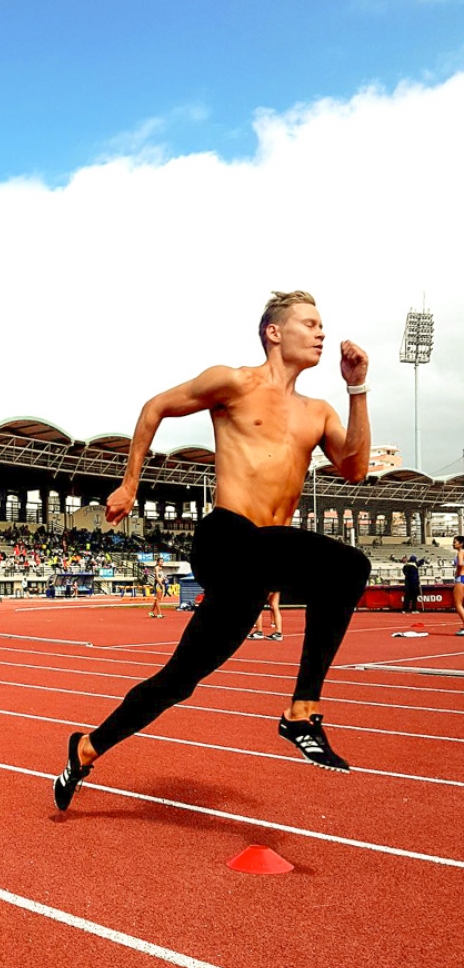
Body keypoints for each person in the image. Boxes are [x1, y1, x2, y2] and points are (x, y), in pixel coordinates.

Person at [54, 290, 371, 810]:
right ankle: (301, 711)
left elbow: (355, 468)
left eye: (322, 325)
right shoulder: (234, 382)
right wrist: (130, 484)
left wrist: (358, 388)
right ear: (274, 332)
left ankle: (85, 749)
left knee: (178, 681)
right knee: (350, 564)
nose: (321, 333)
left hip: (259, 567)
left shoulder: (318, 412)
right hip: (227, 539)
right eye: (309, 323)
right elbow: (155, 406)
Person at [453, 536, 464, 636]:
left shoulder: (460, 552)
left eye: (455, 542)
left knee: (458, 604)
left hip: (461, 578)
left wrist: (457, 573)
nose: (453, 544)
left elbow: (460, 564)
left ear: (461, 544)